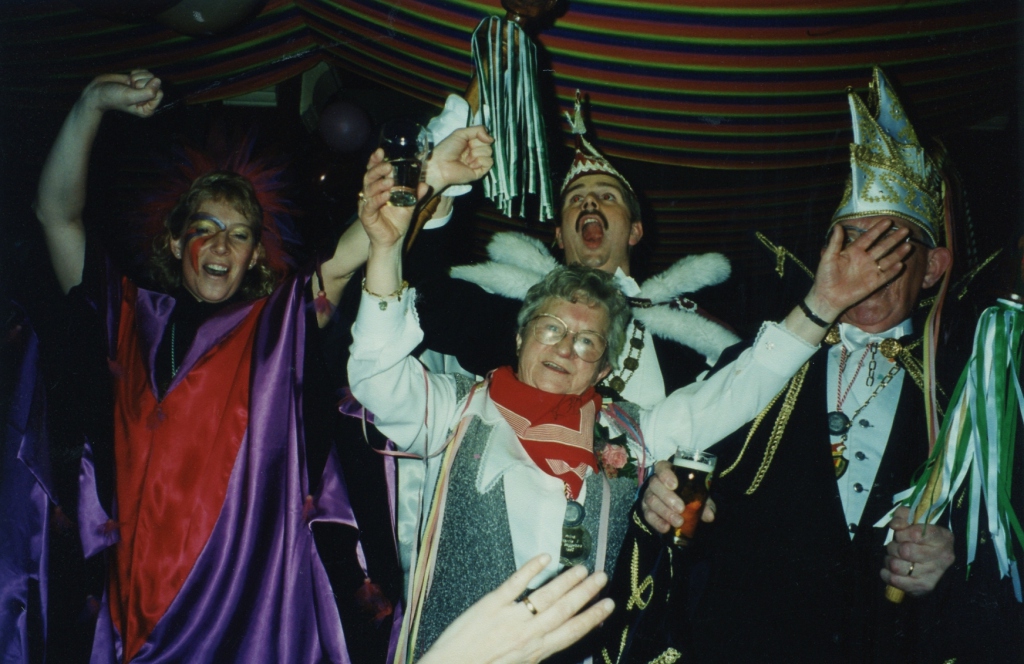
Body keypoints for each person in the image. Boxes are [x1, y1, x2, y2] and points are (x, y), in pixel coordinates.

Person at [347, 140, 912, 661]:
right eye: (551, 329)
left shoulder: (633, 434)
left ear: (604, 366)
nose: (565, 347)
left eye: (587, 341)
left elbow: (738, 390)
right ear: (519, 337)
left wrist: (822, 304)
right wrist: (386, 248)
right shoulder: (452, 408)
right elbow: (375, 371)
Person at [33, 70, 491, 663]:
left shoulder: (276, 325)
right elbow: (56, 215)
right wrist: (89, 104)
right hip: (131, 616)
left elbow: (348, 256)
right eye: (205, 229)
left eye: (240, 234)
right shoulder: (126, 317)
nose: (222, 245)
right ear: (174, 242)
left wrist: (426, 177)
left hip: (239, 617)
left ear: (254, 256)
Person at [626, 67, 1019, 663]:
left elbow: (1000, 541)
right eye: (852, 240)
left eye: (891, 243)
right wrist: (658, 498)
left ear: (933, 268)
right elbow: (672, 461)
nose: (865, 262)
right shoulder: (761, 359)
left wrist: (954, 557)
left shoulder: (971, 393)